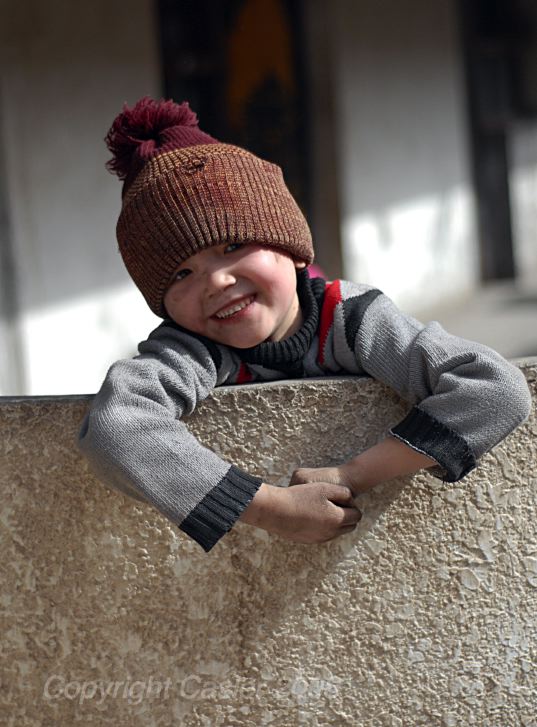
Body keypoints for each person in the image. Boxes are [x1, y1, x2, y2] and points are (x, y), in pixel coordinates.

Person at [78, 96, 532, 553]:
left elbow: (494, 388)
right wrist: (272, 508)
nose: (216, 280)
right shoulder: (189, 351)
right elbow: (116, 427)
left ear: (293, 248)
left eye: (234, 245)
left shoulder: (352, 317)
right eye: (181, 274)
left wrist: (351, 476)